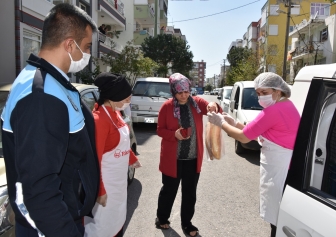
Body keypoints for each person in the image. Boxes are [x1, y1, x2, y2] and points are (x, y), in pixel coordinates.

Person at [1, 3, 99, 237]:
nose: (87, 55)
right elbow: (39, 187)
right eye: (86, 47)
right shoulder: (42, 96)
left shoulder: (52, 83)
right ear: (69, 44)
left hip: (63, 214)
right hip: (51, 226)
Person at [207, 72, 300, 237]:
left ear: (278, 91)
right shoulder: (287, 105)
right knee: (279, 216)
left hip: (279, 168)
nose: (260, 97)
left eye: (264, 93)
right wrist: (234, 123)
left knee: (277, 219)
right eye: (258, 94)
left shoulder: (274, 110)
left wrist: (221, 123)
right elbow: (255, 130)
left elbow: (244, 137)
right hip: (285, 165)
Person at [155, 73, 221, 237]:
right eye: (180, 92)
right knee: (169, 191)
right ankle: (162, 217)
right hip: (173, 160)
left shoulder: (197, 103)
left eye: (186, 91)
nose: (184, 95)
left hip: (192, 159)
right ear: (173, 92)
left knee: (190, 193)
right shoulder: (166, 107)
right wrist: (173, 135)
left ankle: (187, 223)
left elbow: (215, 109)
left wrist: (214, 104)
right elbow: (159, 130)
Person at [84, 72, 141, 237]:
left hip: (119, 186)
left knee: (117, 223)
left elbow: (120, 142)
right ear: (114, 96)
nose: (129, 102)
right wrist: (100, 191)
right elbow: (94, 159)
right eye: (127, 98)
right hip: (105, 187)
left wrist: (131, 158)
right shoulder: (99, 120)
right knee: (101, 228)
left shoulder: (116, 113)